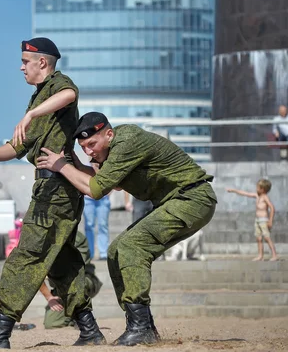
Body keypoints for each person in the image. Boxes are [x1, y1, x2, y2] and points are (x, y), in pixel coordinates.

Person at [36, 112, 217, 346]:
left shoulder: (127, 141)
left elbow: (96, 190)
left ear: (109, 134)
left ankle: (140, 327)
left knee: (132, 246)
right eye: (83, 147)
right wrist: (76, 165)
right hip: (176, 201)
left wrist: (61, 166)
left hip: (192, 198)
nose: (89, 151)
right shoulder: (114, 150)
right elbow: (109, 181)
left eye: (92, 144)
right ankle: (142, 323)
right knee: (115, 250)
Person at [0, 37, 105, 349]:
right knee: (60, 262)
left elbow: (70, 94)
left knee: (25, 257)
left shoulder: (59, 86)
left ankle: (0, 333)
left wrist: (31, 115)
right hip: (50, 188)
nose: (21, 67)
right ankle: (89, 329)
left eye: (25, 61)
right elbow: (17, 146)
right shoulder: (38, 99)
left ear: (42, 63)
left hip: (57, 188)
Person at [41, 231, 103, 329]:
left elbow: (75, 268)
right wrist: (49, 297)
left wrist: (47, 269)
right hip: (60, 287)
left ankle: (83, 314)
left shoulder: (76, 237)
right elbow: (34, 273)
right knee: (52, 323)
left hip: (83, 280)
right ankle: (71, 316)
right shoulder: (41, 239)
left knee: (78, 284)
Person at [227, 179, 279, 261]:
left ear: (262, 189)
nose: (256, 188)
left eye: (257, 187)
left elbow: (272, 208)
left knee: (267, 237)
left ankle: (274, 255)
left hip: (264, 220)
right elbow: (245, 193)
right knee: (258, 238)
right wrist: (234, 190)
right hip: (257, 220)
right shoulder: (257, 196)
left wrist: (270, 220)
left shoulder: (265, 197)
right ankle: (260, 255)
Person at [83, 163, 111, 260]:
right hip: (88, 199)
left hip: (103, 199)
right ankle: (90, 253)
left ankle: (103, 253)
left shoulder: (106, 165)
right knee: (89, 226)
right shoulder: (84, 166)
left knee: (103, 225)